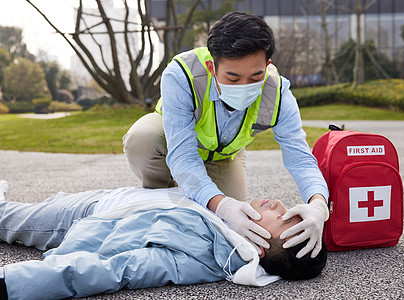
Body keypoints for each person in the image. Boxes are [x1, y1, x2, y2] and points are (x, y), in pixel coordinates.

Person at [123, 11, 329, 260]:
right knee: (143, 139)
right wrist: (220, 204)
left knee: (238, 227)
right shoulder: (181, 74)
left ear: (268, 66)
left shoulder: (279, 92)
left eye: (255, 77)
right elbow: (184, 157)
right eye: (232, 77)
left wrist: (318, 204)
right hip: (172, 144)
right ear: (212, 67)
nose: (244, 86)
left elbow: (300, 157)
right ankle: (158, 202)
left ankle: (197, 193)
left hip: (225, 156)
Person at [0, 181, 326, 300]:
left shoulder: (197, 259)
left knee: (8, 217)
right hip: (118, 198)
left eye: (284, 219)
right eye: (295, 211)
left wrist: (10, 283)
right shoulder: (233, 221)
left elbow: (115, 271)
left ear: (259, 247)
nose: (282, 205)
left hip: (88, 217)